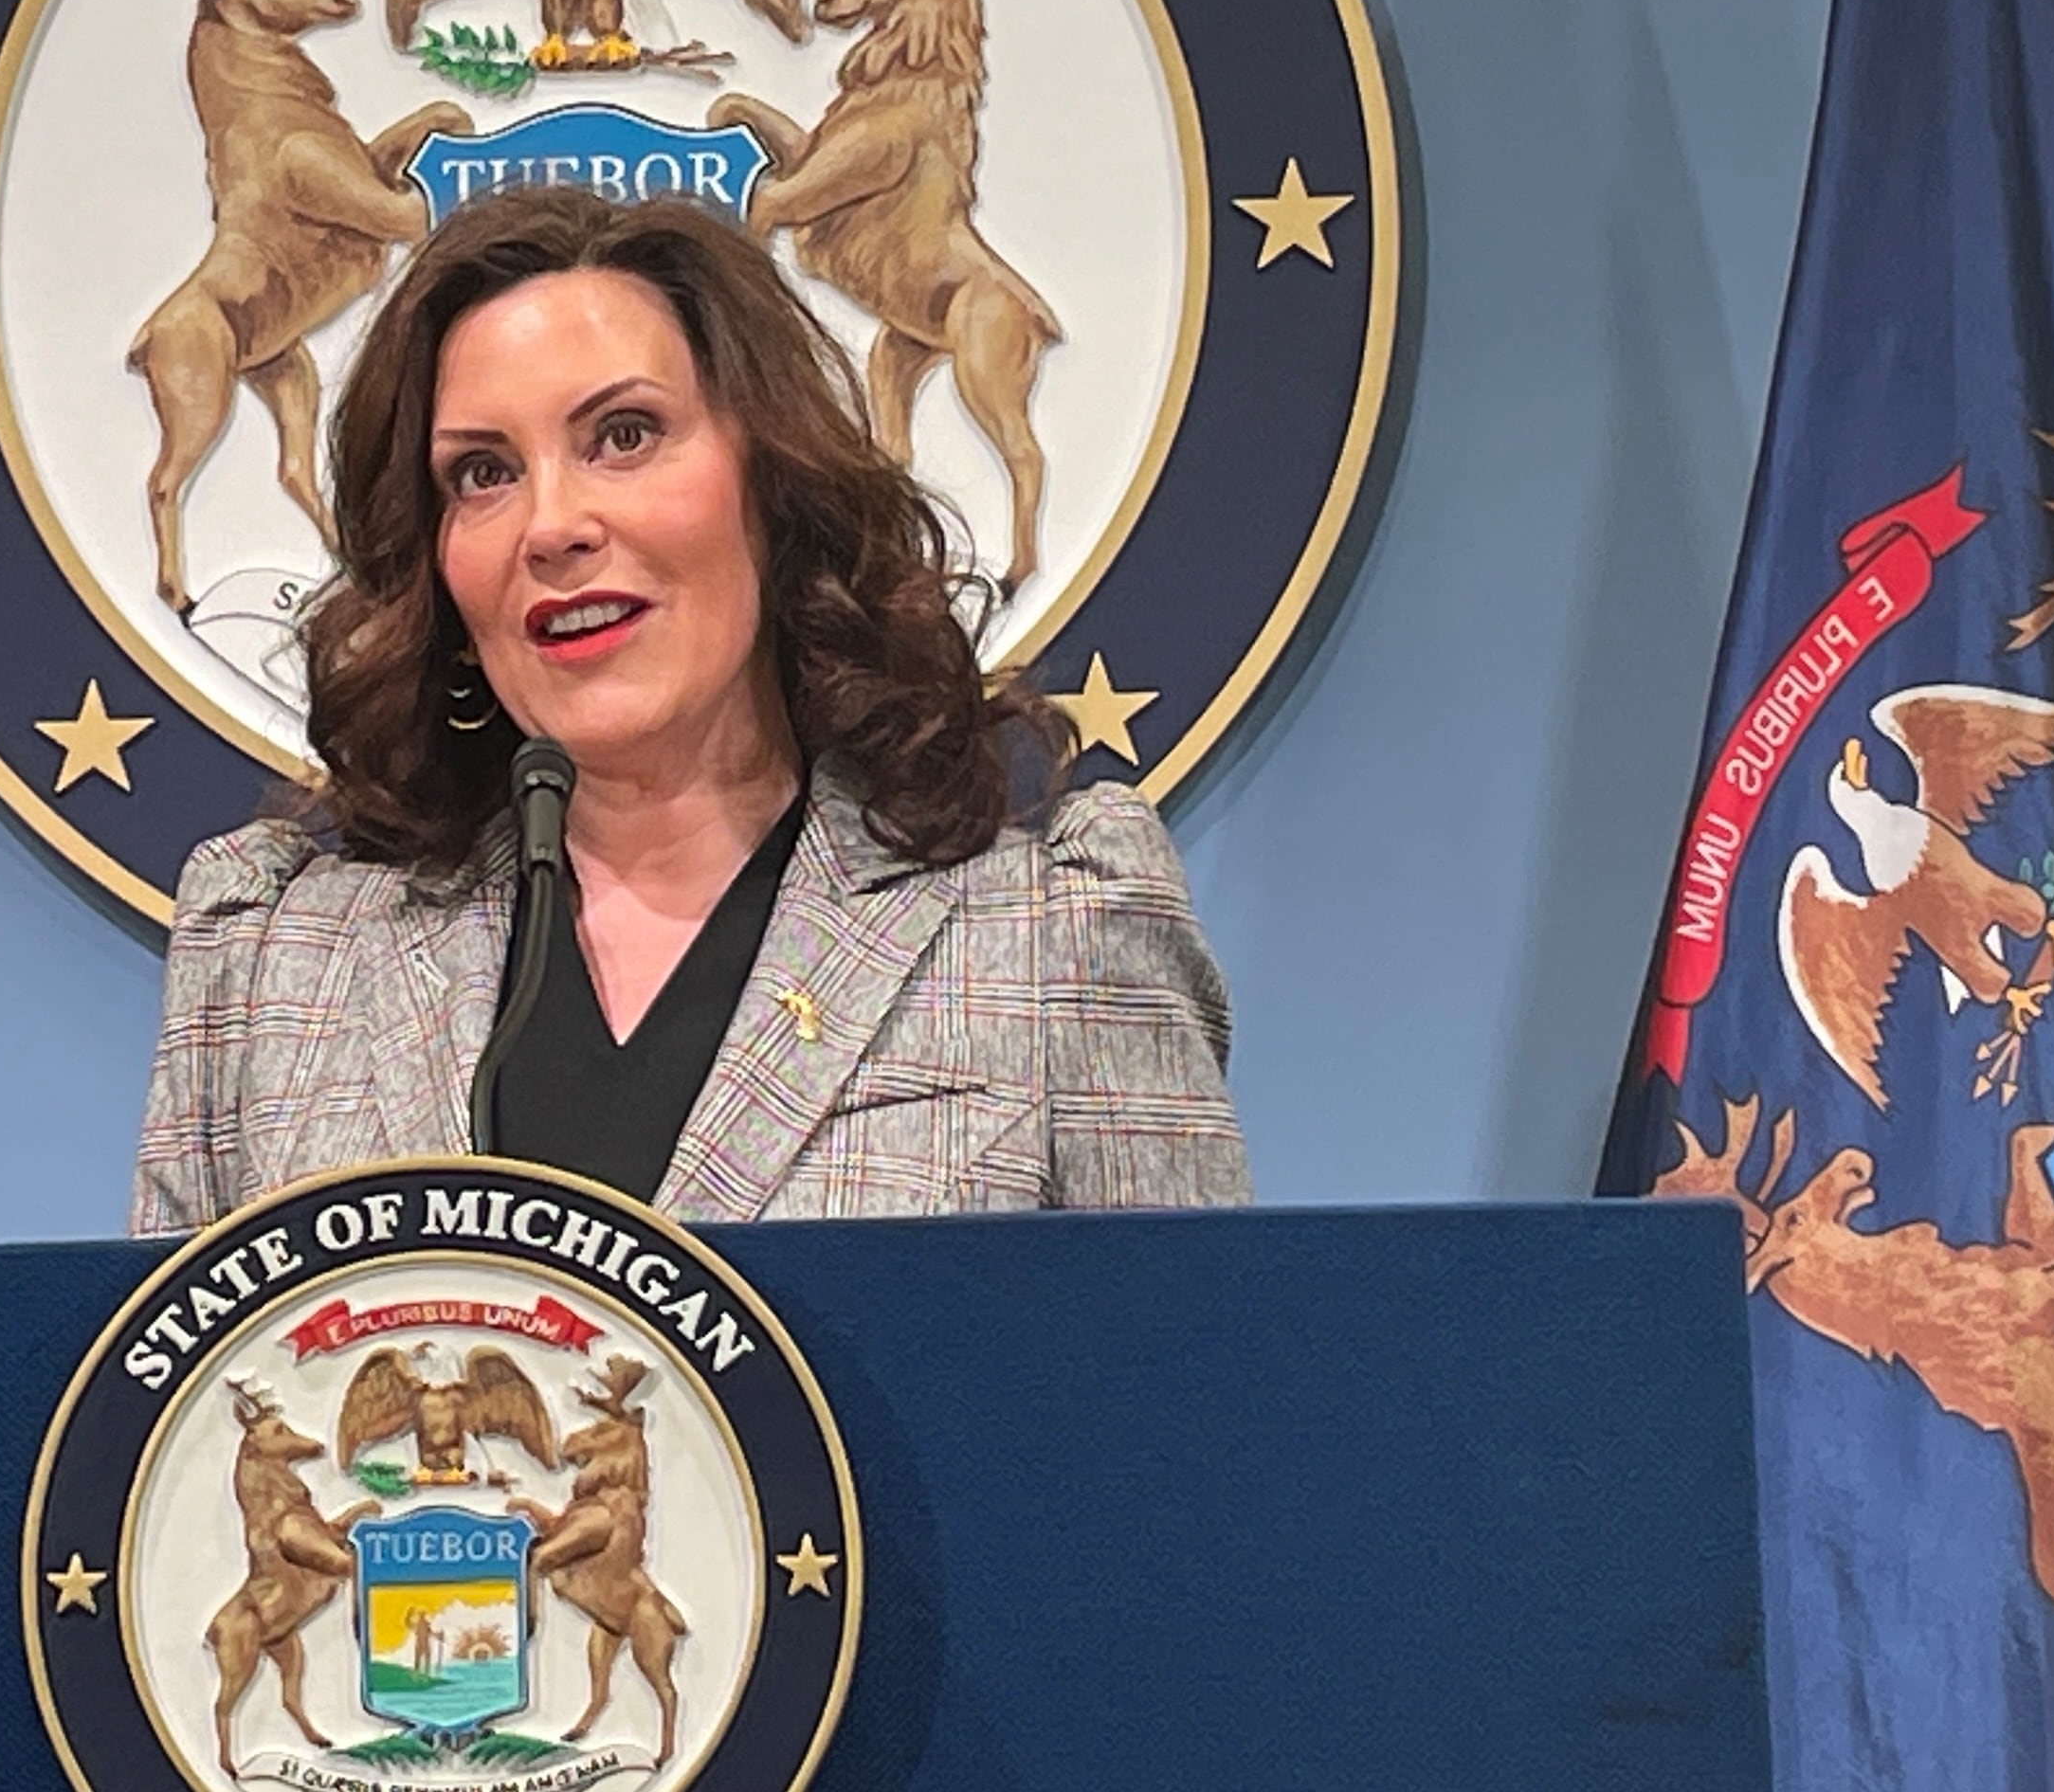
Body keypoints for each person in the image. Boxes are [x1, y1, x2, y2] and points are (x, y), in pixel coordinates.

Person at [130, 184, 1248, 1229]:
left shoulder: (1053, 939)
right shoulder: (273, 965)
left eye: (624, 436)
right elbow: (178, 1381)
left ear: (772, 482)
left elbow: (1188, 1367)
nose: (551, 526)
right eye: (482, 473)